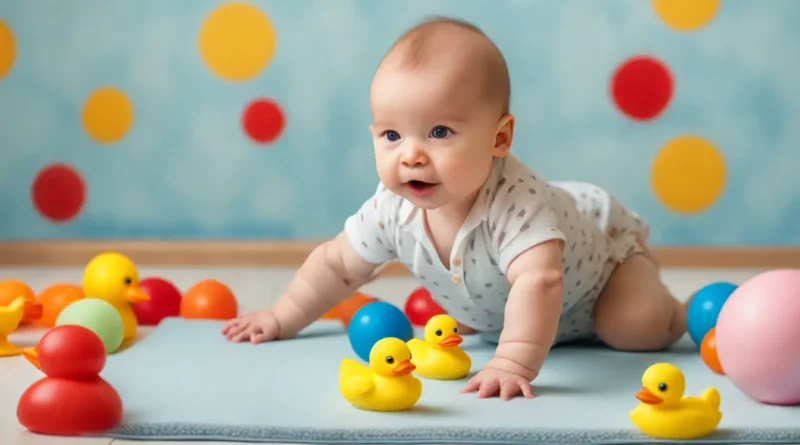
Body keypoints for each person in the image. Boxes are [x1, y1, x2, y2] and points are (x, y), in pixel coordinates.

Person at [221, 16, 688, 400]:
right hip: (503, 308)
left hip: (598, 281)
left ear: (499, 138)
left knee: (632, 327)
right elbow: (338, 266)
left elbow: (540, 279)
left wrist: (511, 361)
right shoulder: (391, 208)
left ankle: (672, 305)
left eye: (439, 132)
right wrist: (281, 317)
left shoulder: (516, 202)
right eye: (391, 135)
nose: (411, 155)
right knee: (459, 323)